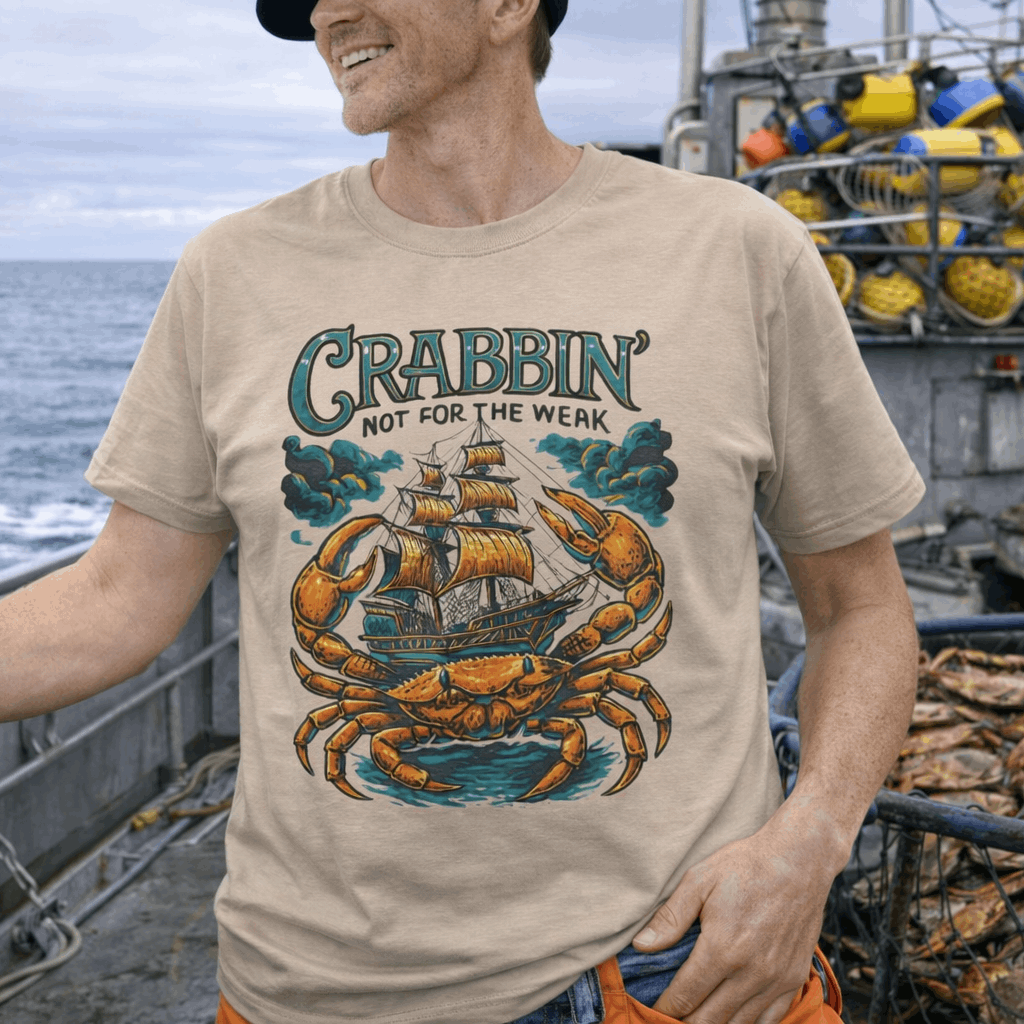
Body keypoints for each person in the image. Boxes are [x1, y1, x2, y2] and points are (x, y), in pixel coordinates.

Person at [0, 0, 925, 1021]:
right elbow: (114, 600)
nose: (324, 15)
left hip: (681, 969)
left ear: (505, 6)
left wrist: (812, 841)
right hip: (324, 990)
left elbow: (862, 609)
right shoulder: (234, 272)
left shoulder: (739, 250)